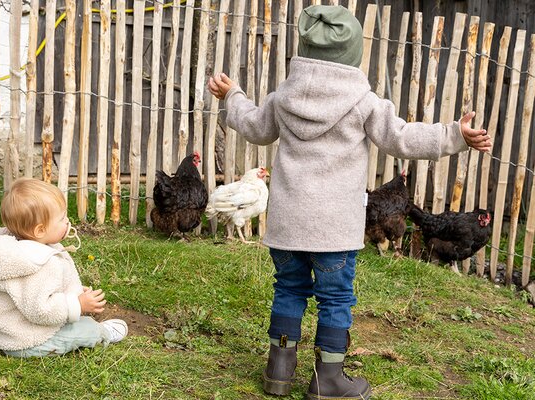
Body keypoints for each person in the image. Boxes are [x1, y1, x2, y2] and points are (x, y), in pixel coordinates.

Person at [208, 5, 491, 399]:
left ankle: (279, 369)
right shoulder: (363, 101)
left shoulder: (283, 97)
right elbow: (403, 137)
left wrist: (232, 94)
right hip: (334, 230)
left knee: (288, 288)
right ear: (353, 53)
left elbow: (254, 126)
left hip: (288, 225)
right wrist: (454, 134)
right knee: (335, 298)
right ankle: (328, 379)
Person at [0, 178, 128, 357]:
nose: (67, 221)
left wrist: (71, 292)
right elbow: (41, 310)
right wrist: (76, 303)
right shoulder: (37, 264)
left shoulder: (20, 250)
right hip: (28, 341)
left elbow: (37, 292)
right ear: (40, 230)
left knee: (76, 320)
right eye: (62, 218)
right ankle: (102, 334)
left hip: (12, 334)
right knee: (85, 328)